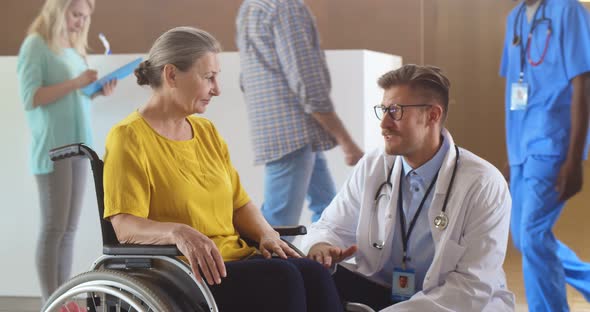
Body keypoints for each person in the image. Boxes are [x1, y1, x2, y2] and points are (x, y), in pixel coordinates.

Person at [102, 26, 343, 312]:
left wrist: (267, 234)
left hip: (234, 260)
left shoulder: (206, 132)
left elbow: (239, 205)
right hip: (182, 273)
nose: (216, 89)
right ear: (171, 75)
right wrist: (177, 233)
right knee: (283, 277)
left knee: (312, 272)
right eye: (208, 77)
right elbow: (124, 225)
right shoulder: (129, 137)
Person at [303, 64, 515, 311]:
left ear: (432, 115)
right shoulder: (374, 165)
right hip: (384, 293)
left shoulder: (483, 183)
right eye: (383, 110)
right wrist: (321, 245)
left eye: (395, 111)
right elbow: (330, 226)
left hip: (455, 303)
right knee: (305, 277)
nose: (384, 123)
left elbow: (471, 287)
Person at [16, 0, 117, 303]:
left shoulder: (73, 48)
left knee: (69, 230)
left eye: (85, 17)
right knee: (53, 228)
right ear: (58, 10)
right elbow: (31, 97)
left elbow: (74, 97)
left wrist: (95, 91)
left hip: (79, 147)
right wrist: (76, 82)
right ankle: (52, 302)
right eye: (76, 14)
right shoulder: (37, 45)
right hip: (53, 149)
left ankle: (64, 298)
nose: (80, 22)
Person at [236, 0, 364, 228]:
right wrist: (347, 142)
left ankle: (325, 259)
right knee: (278, 224)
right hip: (293, 133)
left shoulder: (253, 6)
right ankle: (269, 264)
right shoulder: (285, 8)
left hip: (281, 130)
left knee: (328, 211)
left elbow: (246, 79)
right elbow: (307, 82)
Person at [500, 0, 590, 310]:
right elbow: (514, 87)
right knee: (525, 239)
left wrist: (576, 158)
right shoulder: (514, 19)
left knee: (534, 236)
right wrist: (511, 153)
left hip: (554, 142)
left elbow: (584, 84)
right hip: (522, 148)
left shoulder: (569, 11)